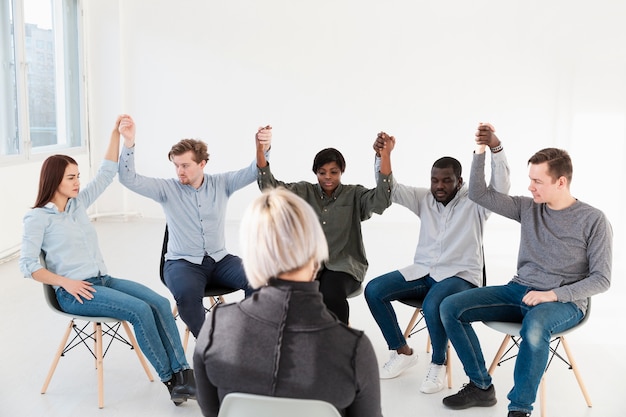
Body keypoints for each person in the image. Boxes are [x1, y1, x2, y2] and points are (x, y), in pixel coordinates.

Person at [19, 116, 196, 404]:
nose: (78, 182)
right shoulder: (37, 218)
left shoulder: (78, 204)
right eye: (71, 178)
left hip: (104, 280)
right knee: (139, 310)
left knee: (160, 303)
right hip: (74, 291)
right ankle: (170, 379)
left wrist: (118, 134)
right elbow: (28, 266)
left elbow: (106, 171)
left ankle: (184, 376)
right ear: (54, 180)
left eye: (78, 176)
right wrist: (65, 283)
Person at [440, 133, 612, 417]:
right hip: (519, 289)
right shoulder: (528, 207)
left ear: (561, 182)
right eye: (530, 179)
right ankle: (481, 386)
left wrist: (551, 295)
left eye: (537, 181)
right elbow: (478, 194)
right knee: (450, 306)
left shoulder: (593, 220)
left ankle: (519, 409)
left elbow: (602, 279)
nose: (530, 187)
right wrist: (485, 149)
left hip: (564, 303)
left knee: (535, 326)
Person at [193, 187, 383, 417]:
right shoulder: (354, 349)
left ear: (253, 256)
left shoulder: (216, 327)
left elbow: (211, 412)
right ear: (316, 254)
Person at [364, 124, 511, 393]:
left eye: (446, 181)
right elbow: (390, 189)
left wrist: (495, 147)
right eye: (435, 180)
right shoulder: (424, 198)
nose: (439, 186)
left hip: (460, 276)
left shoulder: (476, 201)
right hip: (424, 271)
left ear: (460, 181)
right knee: (374, 289)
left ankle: (437, 365)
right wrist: (383, 156)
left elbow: (500, 187)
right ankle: (402, 352)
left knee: (433, 304)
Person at [118, 116, 272, 338]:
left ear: (202, 164)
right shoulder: (167, 189)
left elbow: (254, 171)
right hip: (182, 263)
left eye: (185, 165)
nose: (180, 171)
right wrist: (129, 141)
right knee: (188, 297)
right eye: (176, 165)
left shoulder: (222, 184)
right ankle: (214, 346)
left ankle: (247, 337)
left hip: (220, 261)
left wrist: (262, 148)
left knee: (259, 281)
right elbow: (128, 179)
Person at [255, 131, 394, 324]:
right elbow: (269, 187)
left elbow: (382, 200)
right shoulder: (304, 192)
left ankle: (341, 346)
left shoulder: (354, 194)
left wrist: (384, 156)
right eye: (322, 172)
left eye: (334, 172)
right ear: (316, 173)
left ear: (341, 172)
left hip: (344, 265)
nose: (328, 177)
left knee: (330, 292)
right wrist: (261, 151)